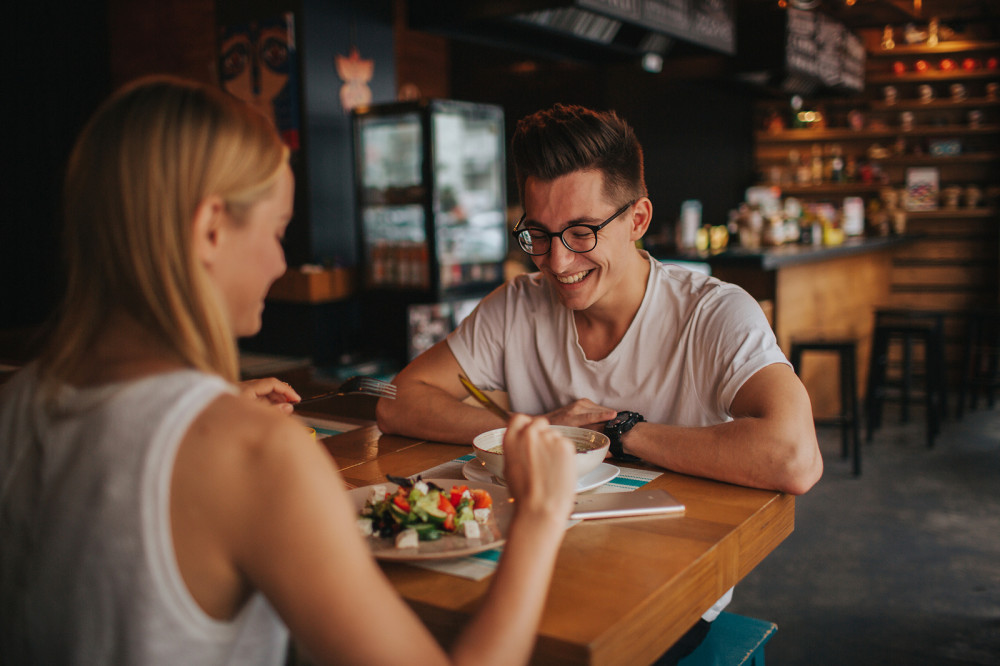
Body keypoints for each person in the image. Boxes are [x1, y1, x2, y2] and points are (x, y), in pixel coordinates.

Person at [0, 76, 578, 666]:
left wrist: (220, 405)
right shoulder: (256, 454)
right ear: (210, 229)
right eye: (278, 230)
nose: (281, 261)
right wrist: (539, 515)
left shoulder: (18, 401)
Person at [376, 103, 823, 661]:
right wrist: (538, 429)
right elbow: (397, 402)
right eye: (537, 233)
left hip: (666, 593)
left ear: (637, 220)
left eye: (581, 232)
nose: (557, 262)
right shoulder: (517, 305)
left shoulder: (712, 313)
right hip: (524, 569)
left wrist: (623, 432)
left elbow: (794, 456)